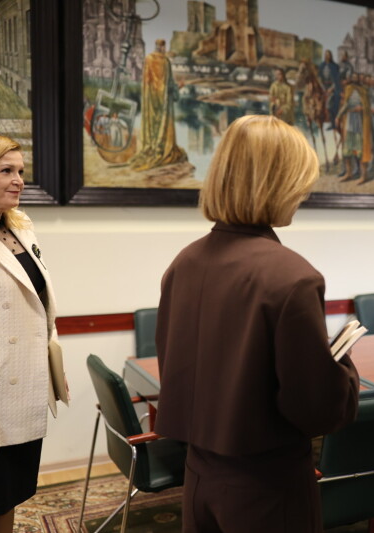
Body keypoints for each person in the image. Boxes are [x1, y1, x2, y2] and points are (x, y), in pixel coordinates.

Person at [154, 115, 360, 532]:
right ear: (278, 183)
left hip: (197, 477)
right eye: (301, 181)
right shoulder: (292, 278)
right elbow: (316, 409)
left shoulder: (184, 263)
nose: (305, 193)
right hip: (266, 487)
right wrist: (343, 367)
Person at [0, 134, 64, 533]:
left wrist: (52, 360)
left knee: (9, 493)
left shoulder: (20, 225)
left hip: (22, 389)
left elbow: (40, 303)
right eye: (6, 171)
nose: (19, 180)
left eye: (20, 171)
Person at [131, 39, 188, 171]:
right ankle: (160, 149)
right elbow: (169, 85)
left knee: (152, 124)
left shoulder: (148, 59)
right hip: (163, 103)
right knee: (162, 125)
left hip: (150, 101)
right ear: (163, 47)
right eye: (164, 47)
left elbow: (146, 82)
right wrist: (179, 87)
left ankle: (151, 147)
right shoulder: (165, 62)